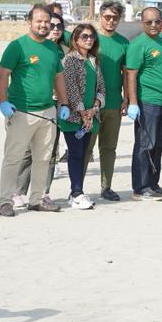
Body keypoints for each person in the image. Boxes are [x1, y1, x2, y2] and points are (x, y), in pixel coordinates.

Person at [0, 4, 68, 215]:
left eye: (47, 21)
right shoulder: (17, 46)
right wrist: (3, 101)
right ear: (30, 22)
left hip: (47, 112)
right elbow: (2, 75)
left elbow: (58, 77)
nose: (44, 25)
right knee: (13, 158)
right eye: (39, 21)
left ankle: (37, 199)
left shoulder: (52, 48)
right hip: (21, 112)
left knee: (43, 158)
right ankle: (6, 201)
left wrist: (63, 103)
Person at [125, 7, 162, 199]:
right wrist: (133, 102)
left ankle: (153, 183)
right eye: (149, 22)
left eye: (157, 21)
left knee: (159, 144)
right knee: (145, 144)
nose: (154, 25)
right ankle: (140, 187)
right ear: (142, 23)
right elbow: (131, 75)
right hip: (147, 102)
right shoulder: (138, 44)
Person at [58, 23, 106, 210]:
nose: (89, 39)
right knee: (75, 154)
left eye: (91, 36)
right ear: (75, 39)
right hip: (73, 117)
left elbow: (101, 88)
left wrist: (94, 108)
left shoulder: (94, 60)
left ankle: (76, 191)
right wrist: (81, 112)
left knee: (84, 154)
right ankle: (76, 192)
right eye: (84, 36)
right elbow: (70, 89)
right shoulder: (69, 60)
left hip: (90, 117)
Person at [86, 1, 129, 202]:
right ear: (99, 16)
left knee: (109, 147)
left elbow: (127, 74)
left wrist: (126, 99)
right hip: (89, 104)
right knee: (86, 147)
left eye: (115, 17)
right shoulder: (89, 39)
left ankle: (106, 186)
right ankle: (77, 188)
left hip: (113, 102)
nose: (111, 21)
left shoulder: (124, 43)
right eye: (107, 17)